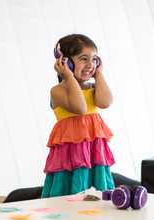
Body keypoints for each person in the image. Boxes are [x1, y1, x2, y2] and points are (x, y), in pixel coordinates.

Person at [41, 34, 115, 198]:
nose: (90, 64)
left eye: (94, 59)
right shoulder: (58, 91)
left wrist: (99, 75)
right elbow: (80, 107)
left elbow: (106, 102)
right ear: (66, 62)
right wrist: (68, 76)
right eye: (84, 59)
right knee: (68, 194)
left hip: (93, 155)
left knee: (98, 196)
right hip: (70, 159)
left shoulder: (94, 88)